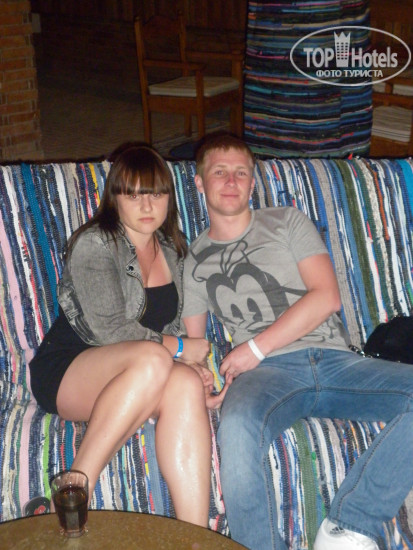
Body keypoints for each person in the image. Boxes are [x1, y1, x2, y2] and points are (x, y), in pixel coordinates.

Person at [183, 133, 413, 550]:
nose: (231, 181)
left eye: (241, 173)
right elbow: (194, 344)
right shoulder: (194, 260)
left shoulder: (286, 221)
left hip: (336, 361)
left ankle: (348, 525)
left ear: (253, 182)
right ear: (199, 182)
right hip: (266, 376)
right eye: (220, 172)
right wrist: (201, 378)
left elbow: (327, 297)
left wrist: (254, 348)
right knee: (237, 425)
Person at [29, 144, 212, 527]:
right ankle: (75, 489)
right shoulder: (94, 243)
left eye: (156, 194)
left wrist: (193, 365)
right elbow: (111, 330)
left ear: (169, 198)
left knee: (185, 385)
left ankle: (194, 536)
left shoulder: (173, 251)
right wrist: (182, 348)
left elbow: (169, 327)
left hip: (142, 370)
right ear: (115, 199)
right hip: (69, 369)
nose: (147, 205)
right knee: (155, 358)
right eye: (133, 194)